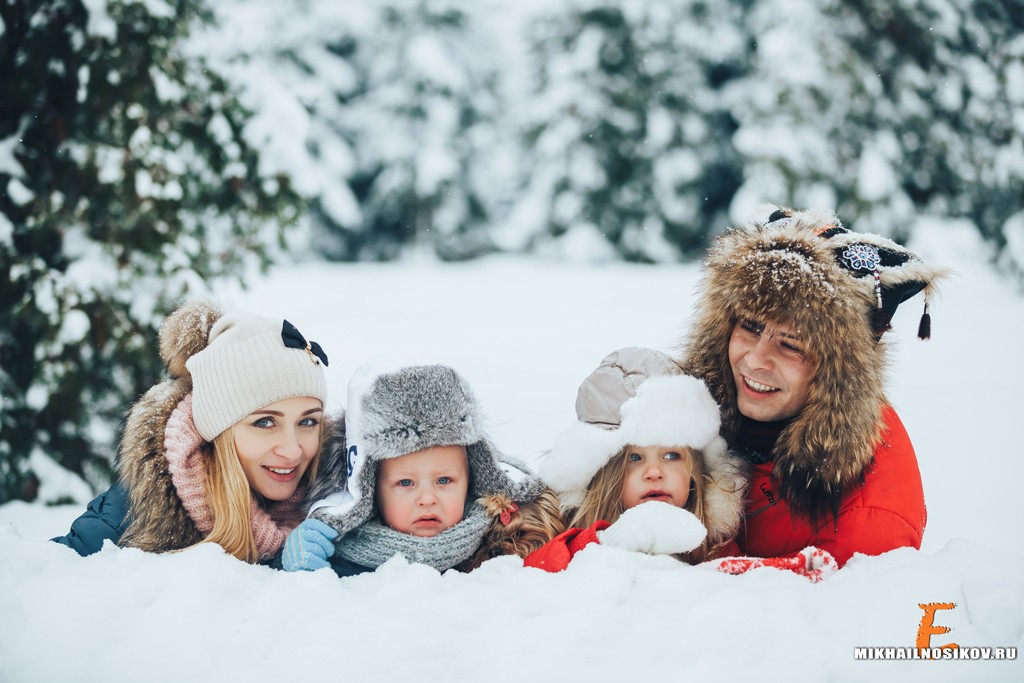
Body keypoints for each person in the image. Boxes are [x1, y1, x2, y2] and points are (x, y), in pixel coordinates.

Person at [680, 207, 947, 568]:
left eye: (791, 345)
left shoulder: (868, 522)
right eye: (750, 327)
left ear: (839, 371)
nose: (756, 360)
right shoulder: (687, 419)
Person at [52, 300, 333, 564]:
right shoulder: (123, 522)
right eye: (264, 422)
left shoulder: (336, 504)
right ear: (217, 430)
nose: (293, 450)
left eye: (307, 422)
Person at [281, 360, 563, 576]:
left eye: (444, 481)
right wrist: (303, 568)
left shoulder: (499, 543)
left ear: (471, 482)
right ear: (370, 493)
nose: (427, 499)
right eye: (405, 483)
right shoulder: (343, 555)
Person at [522, 347, 748, 572]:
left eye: (671, 456)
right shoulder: (574, 541)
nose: (654, 472)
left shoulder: (716, 548)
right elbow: (534, 571)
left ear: (693, 470)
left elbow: (762, 581)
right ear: (604, 471)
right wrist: (607, 540)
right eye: (634, 458)